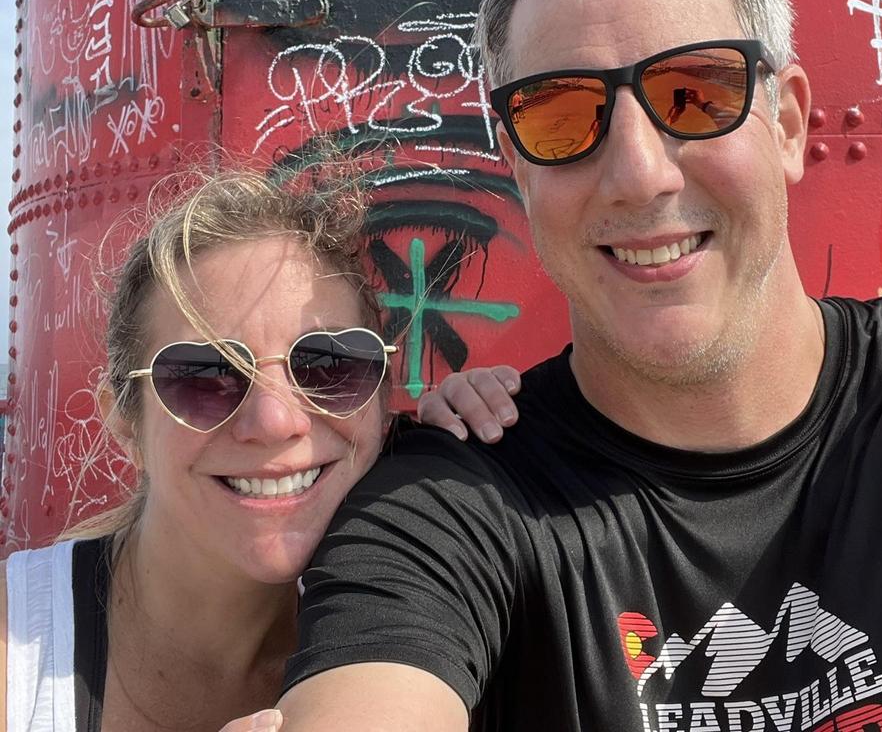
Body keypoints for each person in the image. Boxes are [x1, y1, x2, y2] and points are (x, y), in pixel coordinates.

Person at [274, 0, 882, 730]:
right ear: (518, 166)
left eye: (695, 91)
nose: (639, 174)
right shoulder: (452, 505)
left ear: (789, 125)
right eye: (560, 115)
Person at [0, 166, 517, 732]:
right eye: (204, 375)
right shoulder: (16, 650)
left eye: (329, 365)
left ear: (382, 398)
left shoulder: (448, 616)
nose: (274, 422)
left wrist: (461, 451)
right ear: (124, 421)